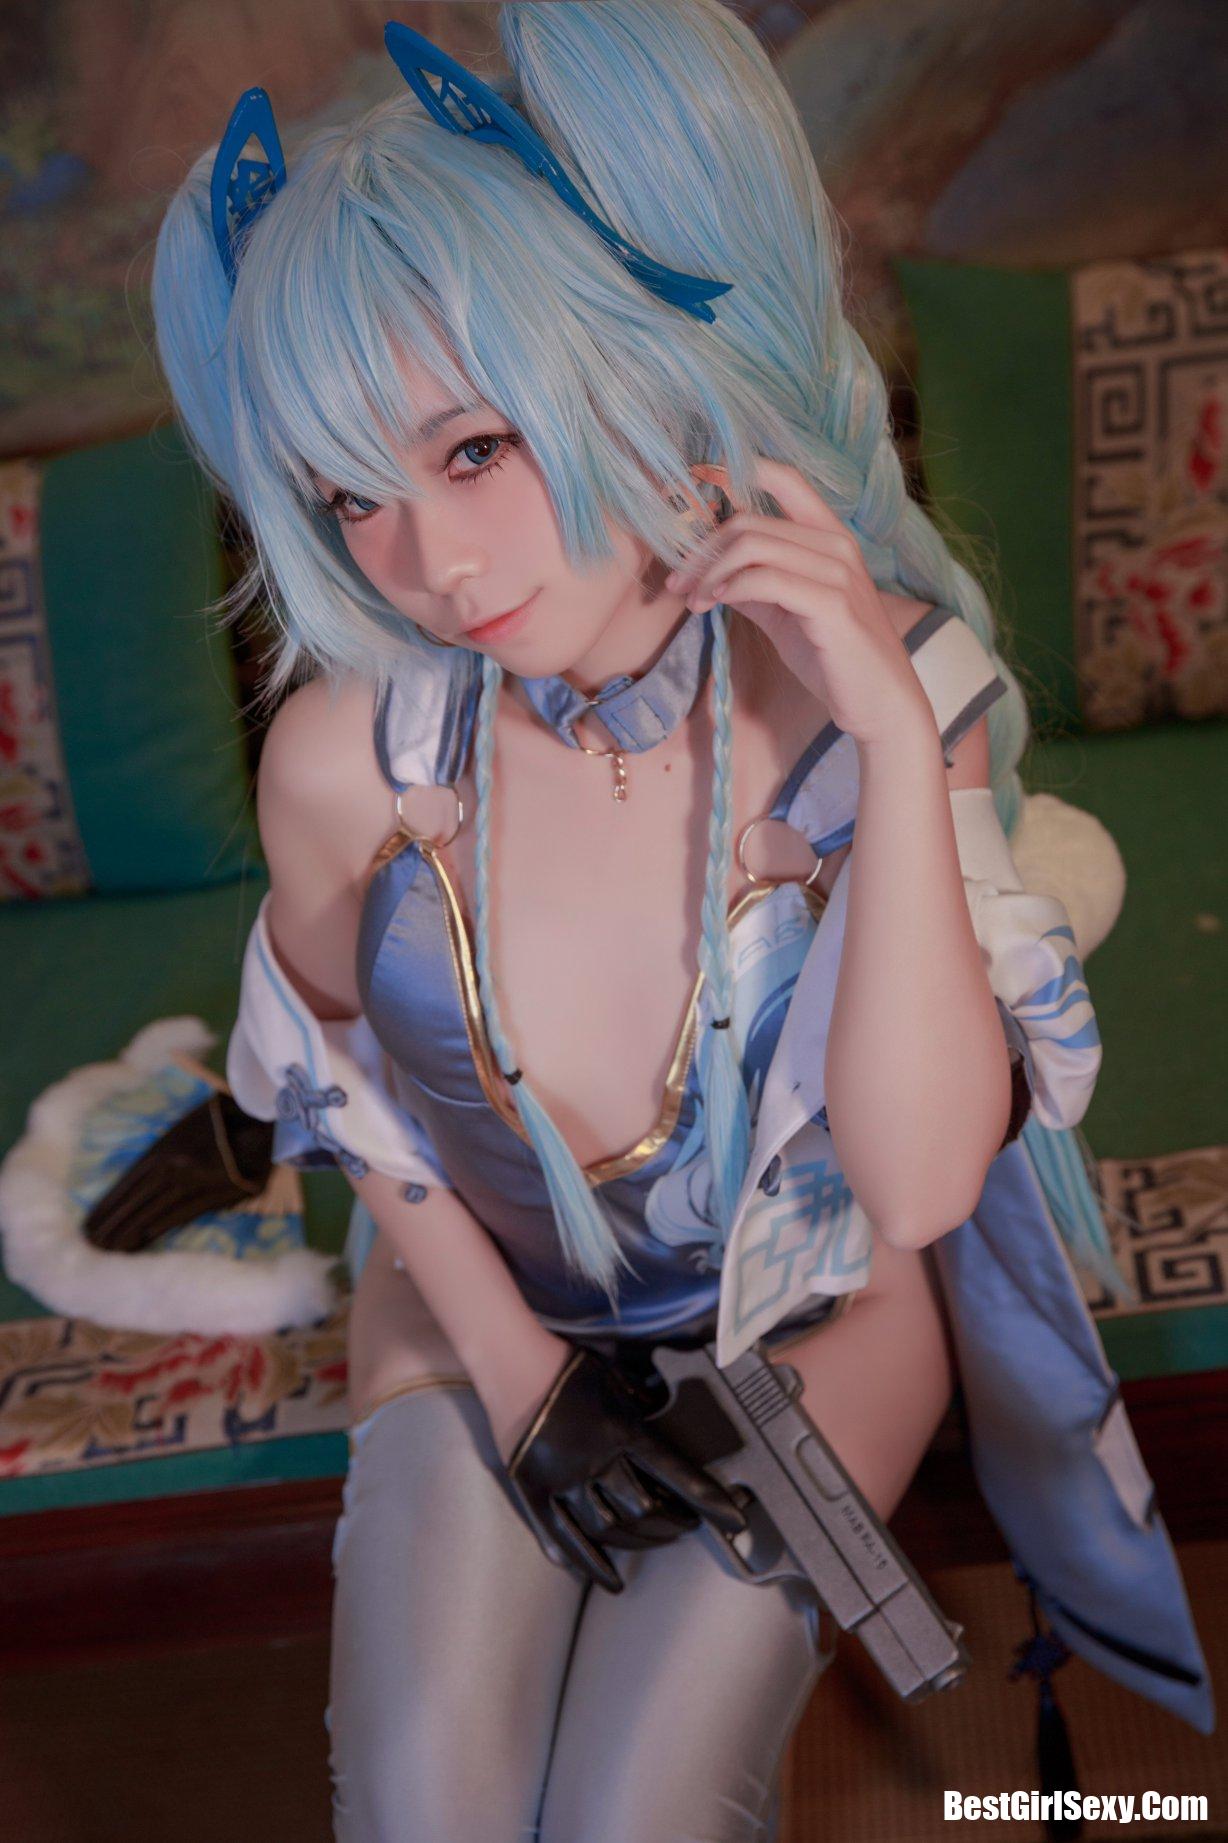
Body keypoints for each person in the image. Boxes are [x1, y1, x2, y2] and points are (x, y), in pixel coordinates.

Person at [151, 5, 1213, 1838]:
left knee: (641, 1809)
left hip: (814, 1306)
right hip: (474, 1302)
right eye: (350, 497)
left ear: (617, 367)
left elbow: (917, 1190)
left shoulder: (889, 702)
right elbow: (331, 1077)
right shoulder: (344, 755)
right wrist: (523, 1382)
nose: (430, 566)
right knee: (426, 1803)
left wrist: (892, 742)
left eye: (475, 448)